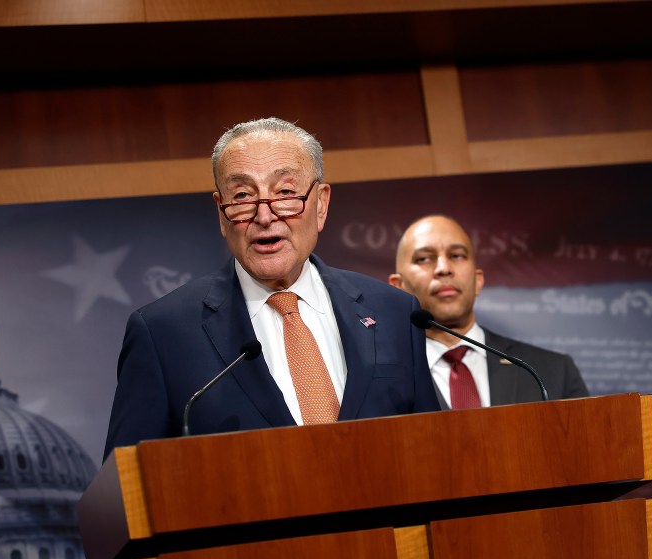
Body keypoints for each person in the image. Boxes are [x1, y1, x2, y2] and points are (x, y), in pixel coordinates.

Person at [104, 118, 440, 457]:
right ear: (222, 214)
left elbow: (433, 450)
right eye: (243, 196)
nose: (264, 216)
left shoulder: (394, 313)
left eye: (285, 192)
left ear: (321, 204)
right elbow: (126, 487)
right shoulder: (163, 334)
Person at [388, 215, 589, 409]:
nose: (444, 268)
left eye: (456, 256)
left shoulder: (552, 372)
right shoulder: (376, 380)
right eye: (424, 259)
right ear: (398, 287)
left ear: (478, 281)